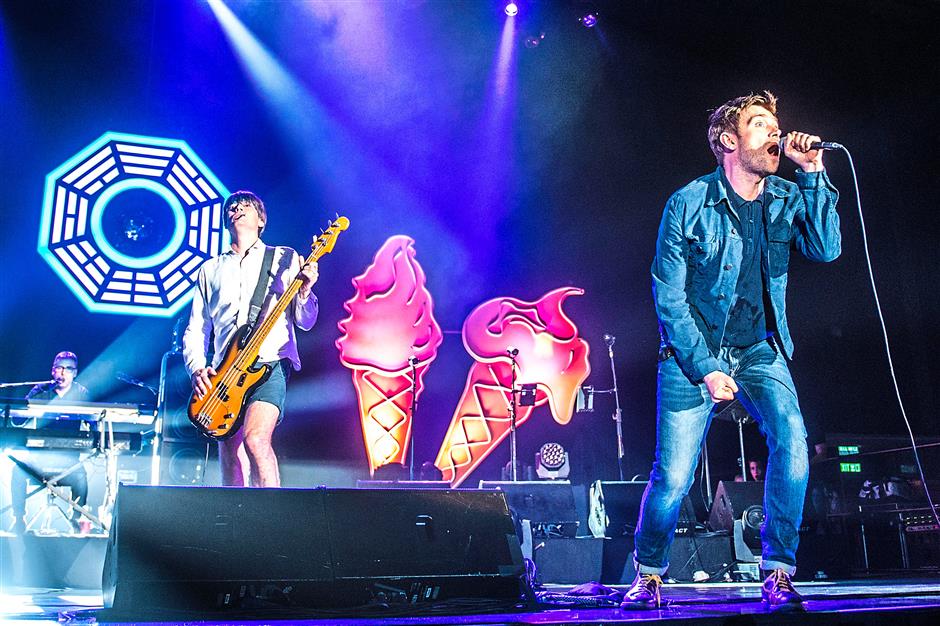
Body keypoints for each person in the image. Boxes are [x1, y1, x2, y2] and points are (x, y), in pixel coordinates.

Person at [622, 92, 840, 609]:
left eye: (776, 124)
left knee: (792, 441)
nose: (776, 134)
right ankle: (650, 572)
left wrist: (813, 174)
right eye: (761, 124)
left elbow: (827, 249)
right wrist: (703, 368)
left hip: (760, 348)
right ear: (728, 141)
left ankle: (779, 570)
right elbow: (668, 296)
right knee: (673, 476)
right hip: (692, 352)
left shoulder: (786, 195)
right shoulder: (688, 202)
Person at [182, 191, 319, 488]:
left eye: (245, 206)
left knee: (256, 439)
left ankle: (270, 522)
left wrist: (306, 292)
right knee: (229, 452)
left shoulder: (285, 257)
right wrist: (197, 369)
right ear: (226, 220)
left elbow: (305, 320)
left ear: (261, 220)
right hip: (225, 370)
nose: (237, 209)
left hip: (270, 362)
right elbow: (197, 329)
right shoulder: (210, 269)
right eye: (232, 207)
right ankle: (234, 525)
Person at [9, 351, 91, 533]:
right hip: (39, 457)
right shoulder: (41, 390)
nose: (63, 373)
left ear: (75, 373)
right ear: (53, 371)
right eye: (60, 368)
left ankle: (76, 518)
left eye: (68, 369)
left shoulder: (82, 393)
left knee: (81, 476)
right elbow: (18, 420)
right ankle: (19, 519)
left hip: (68, 459)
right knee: (18, 470)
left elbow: (94, 420)